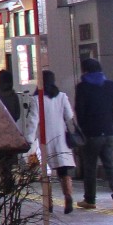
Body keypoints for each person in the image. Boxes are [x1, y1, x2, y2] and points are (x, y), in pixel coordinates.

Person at [75, 57, 113, 211]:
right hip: (109, 132)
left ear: (85, 70)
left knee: (90, 167)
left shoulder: (83, 87)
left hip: (91, 134)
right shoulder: (110, 85)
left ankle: (90, 200)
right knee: (111, 166)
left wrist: (84, 128)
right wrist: (110, 120)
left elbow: (80, 110)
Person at [31, 70, 78, 215]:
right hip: (61, 138)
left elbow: (33, 121)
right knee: (64, 171)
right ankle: (68, 195)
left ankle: (49, 203)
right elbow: (69, 116)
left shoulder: (37, 99)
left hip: (45, 140)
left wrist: (28, 139)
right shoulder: (62, 97)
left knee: (46, 173)